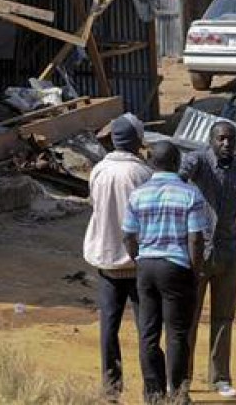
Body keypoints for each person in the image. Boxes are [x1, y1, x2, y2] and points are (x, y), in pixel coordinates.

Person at [123, 141, 209, 404]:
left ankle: (154, 393)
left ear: (152, 164)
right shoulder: (190, 194)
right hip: (176, 266)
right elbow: (196, 239)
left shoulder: (137, 194)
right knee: (177, 333)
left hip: (147, 266)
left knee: (148, 333)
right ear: (177, 163)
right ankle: (178, 393)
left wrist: (139, 260)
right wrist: (195, 273)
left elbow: (128, 235)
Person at [180, 120, 236, 398]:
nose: (226, 144)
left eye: (231, 139)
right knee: (188, 317)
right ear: (211, 140)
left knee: (224, 318)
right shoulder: (199, 161)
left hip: (228, 253)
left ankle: (220, 378)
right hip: (197, 251)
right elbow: (181, 173)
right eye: (221, 139)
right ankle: (182, 377)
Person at [84, 113, 153, 400]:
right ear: (137, 141)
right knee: (146, 330)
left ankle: (111, 389)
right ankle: (152, 390)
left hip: (107, 261)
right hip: (137, 264)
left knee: (108, 328)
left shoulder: (98, 170)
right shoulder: (142, 174)